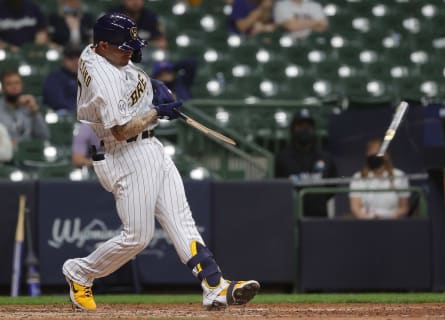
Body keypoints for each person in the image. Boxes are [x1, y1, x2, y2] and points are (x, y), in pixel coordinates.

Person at [62, 13, 259, 311]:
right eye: (122, 46)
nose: (129, 50)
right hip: (123, 152)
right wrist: (157, 112)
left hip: (148, 147)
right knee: (137, 238)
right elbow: (122, 129)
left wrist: (151, 84)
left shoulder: (98, 51)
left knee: (182, 220)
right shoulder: (103, 77)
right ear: (102, 45)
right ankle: (80, 272)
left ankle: (214, 286)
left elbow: (128, 71)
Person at [275, 109, 337, 217]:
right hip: (290, 216)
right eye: (300, 125)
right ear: (293, 129)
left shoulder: (326, 157)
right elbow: (276, 185)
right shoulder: (282, 158)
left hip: (318, 216)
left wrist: (317, 199)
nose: (304, 129)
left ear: (313, 129)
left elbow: (332, 186)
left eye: (308, 126)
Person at [349, 138, 410, 219]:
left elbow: (404, 208)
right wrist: (368, 218)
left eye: (377, 152)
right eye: (371, 153)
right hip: (365, 222)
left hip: (392, 222)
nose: (374, 155)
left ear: (386, 155)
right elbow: (355, 208)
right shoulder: (358, 177)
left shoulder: (399, 176)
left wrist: (387, 217)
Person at [0, 70, 49, 144]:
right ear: (3, 88)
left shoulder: (29, 106)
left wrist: (34, 110)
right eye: (9, 84)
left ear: (22, 85)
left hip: (26, 152)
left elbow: (44, 136)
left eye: (17, 83)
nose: (14, 87)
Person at [43, 45, 82, 113]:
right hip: (64, 114)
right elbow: (56, 101)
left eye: (78, 57)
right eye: (71, 58)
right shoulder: (55, 77)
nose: (75, 62)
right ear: (64, 59)